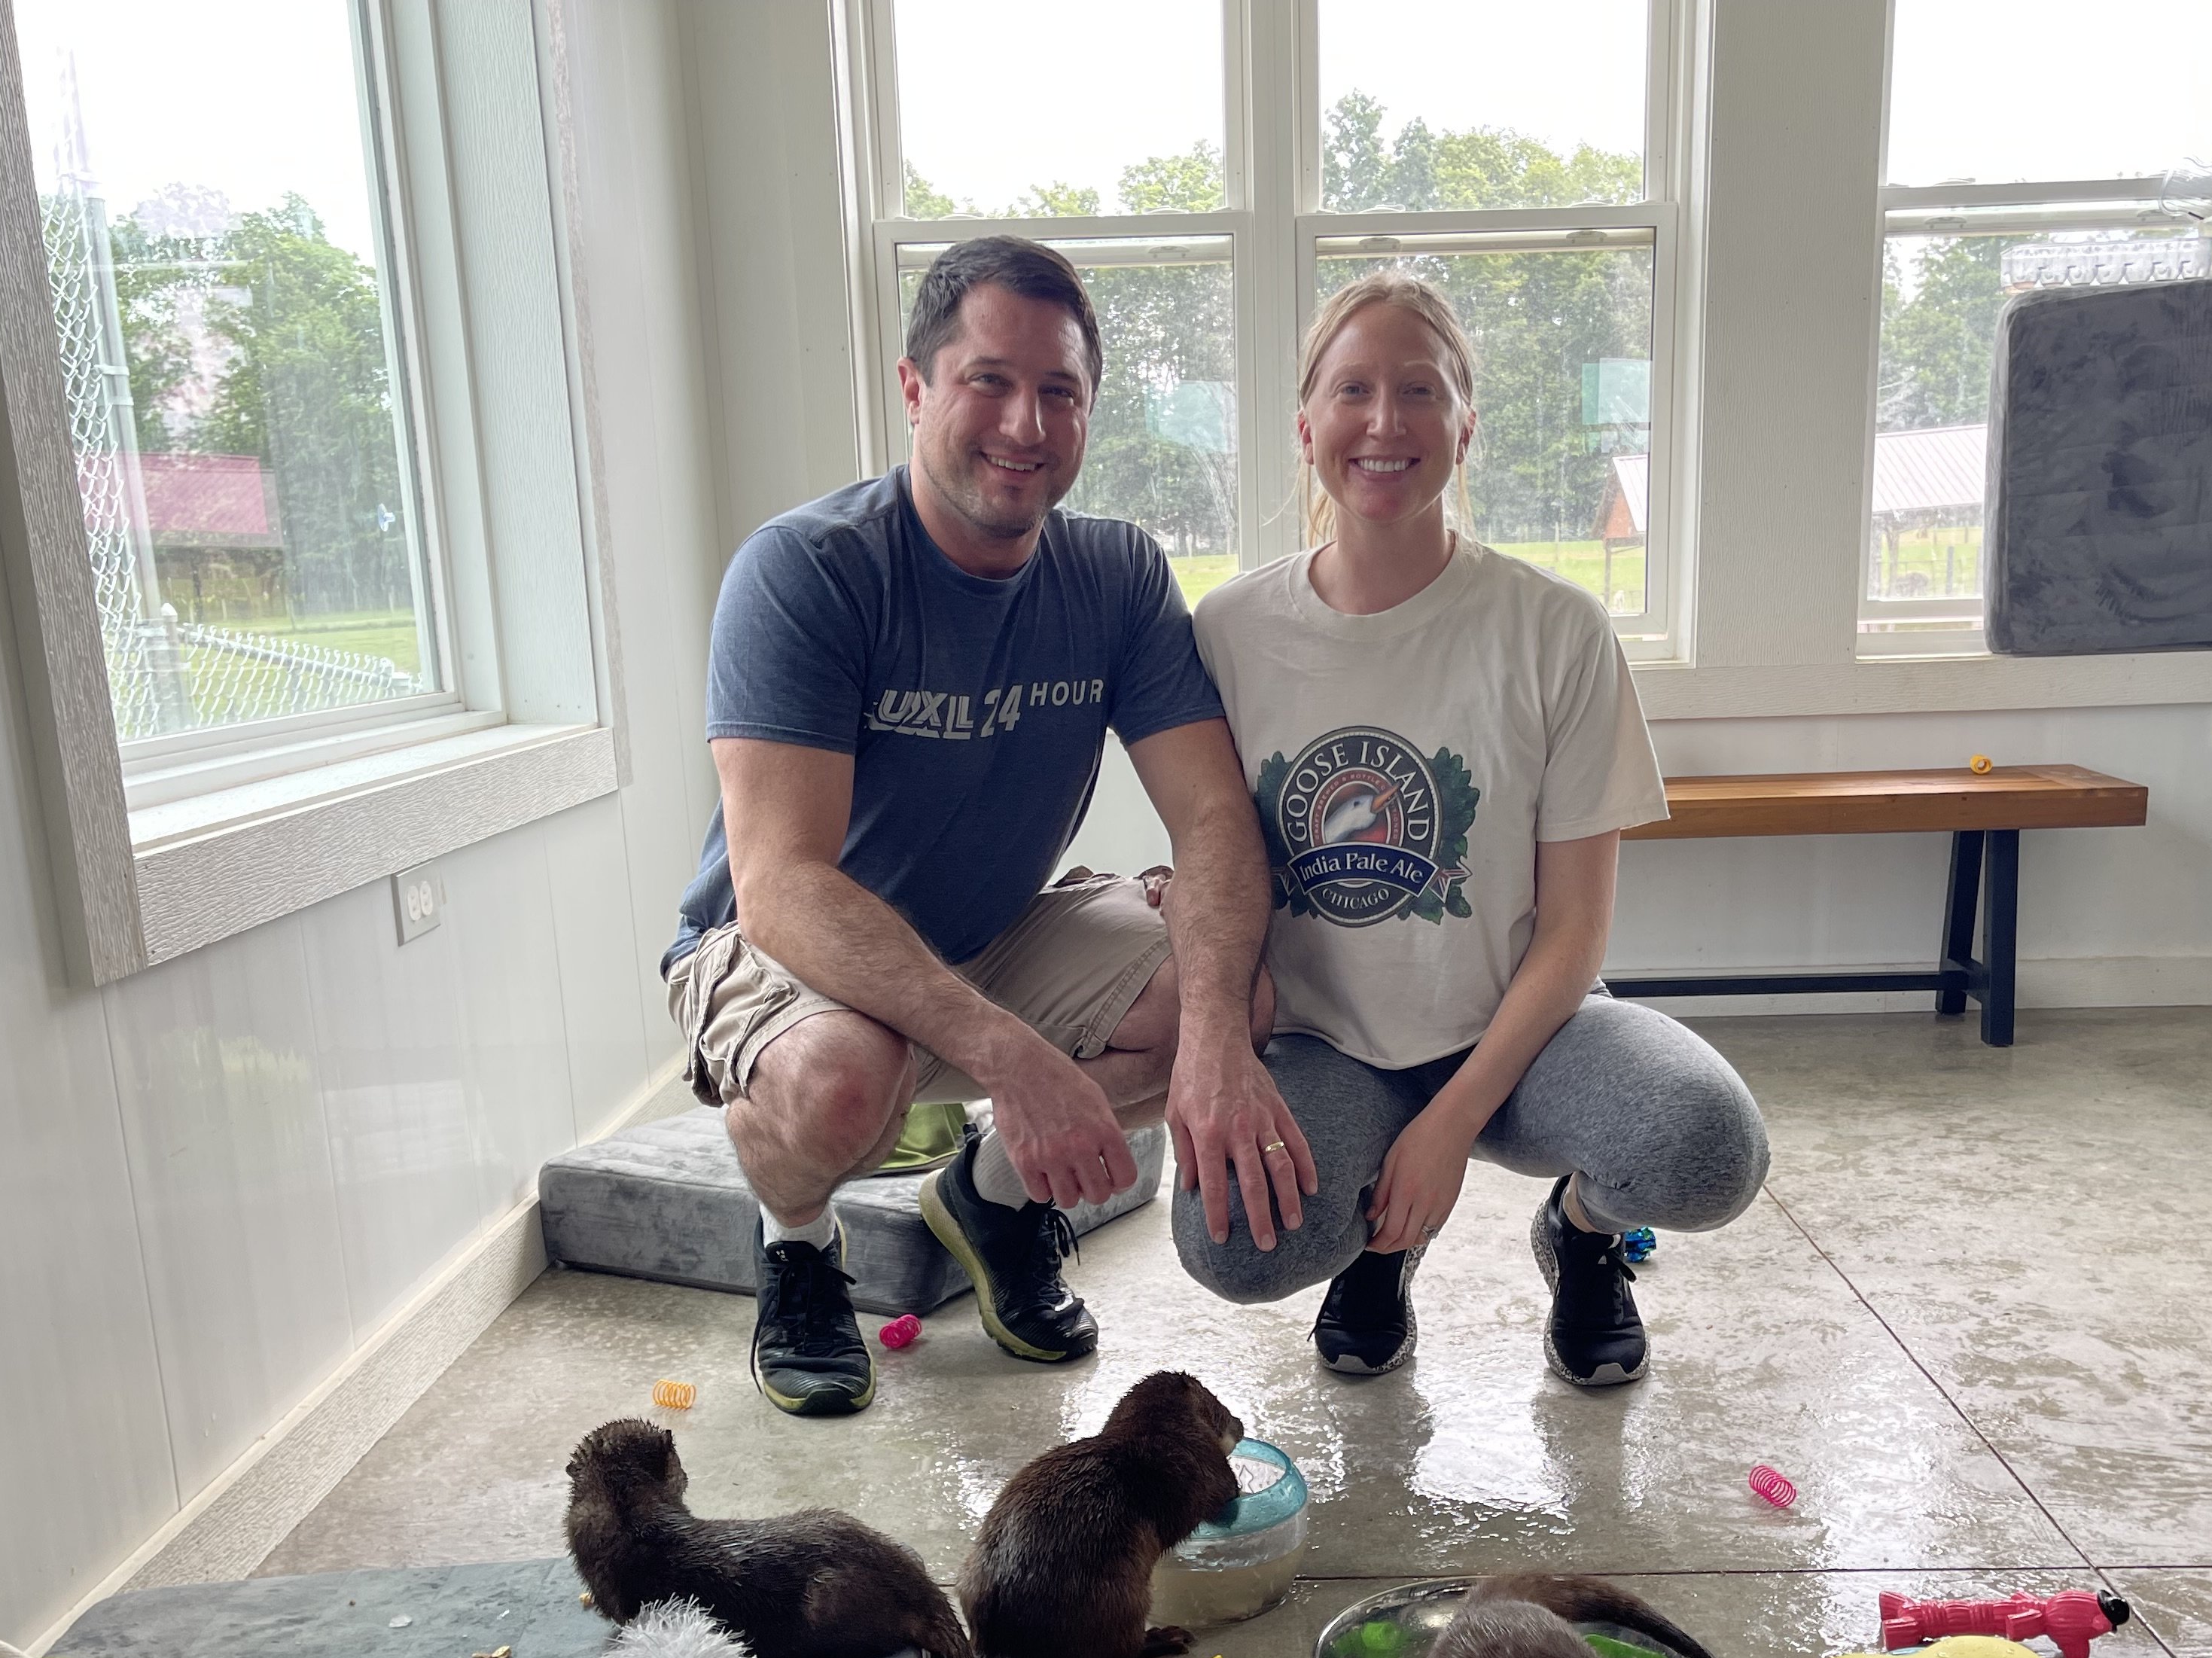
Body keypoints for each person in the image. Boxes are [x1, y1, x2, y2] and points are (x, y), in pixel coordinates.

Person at [666, 236, 1312, 1418]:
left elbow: (1215, 816)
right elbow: (782, 884)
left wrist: (1216, 1038)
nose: (1025, 422)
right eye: (989, 381)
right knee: (843, 1086)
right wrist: (1017, 1060)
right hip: (788, 950)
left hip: (999, 926)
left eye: (1059, 392)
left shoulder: (1116, 574)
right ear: (916, 389)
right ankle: (798, 1246)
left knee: (1234, 997)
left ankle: (992, 1199)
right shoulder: (807, 572)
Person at [1172, 272, 1768, 1387]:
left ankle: (1584, 1236)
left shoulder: (1555, 630)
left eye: (1420, 391)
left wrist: (1448, 1129)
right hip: (1328, 1043)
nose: (1385, 422)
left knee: (1706, 1149)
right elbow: (1208, 861)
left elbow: (1577, 933)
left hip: (1525, 1030)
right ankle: (1374, 1245)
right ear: (1307, 427)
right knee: (1232, 1243)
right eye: (1354, 390)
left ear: (1465, 423)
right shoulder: (1230, 630)